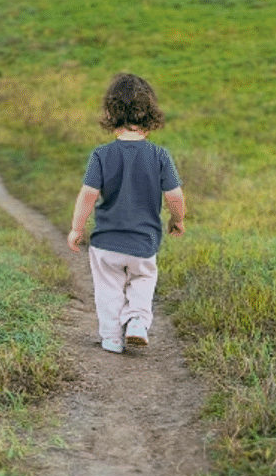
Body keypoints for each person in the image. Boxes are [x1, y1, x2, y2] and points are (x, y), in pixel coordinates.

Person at [67, 73, 187, 353]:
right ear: (150, 114)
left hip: (106, 242)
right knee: (143, 280)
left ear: (110, 113)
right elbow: (174, 195)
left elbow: (88, 194)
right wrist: (177, 219)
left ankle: (111, 337)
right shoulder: (159, 155)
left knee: (108, 288)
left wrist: (76, 228)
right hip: (143, 242)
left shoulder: (101, 155)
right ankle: (136, 321)